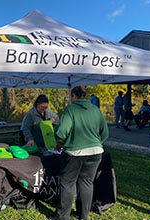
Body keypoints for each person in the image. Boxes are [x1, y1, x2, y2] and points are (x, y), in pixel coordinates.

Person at [49, 86, 109, 220]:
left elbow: (62, 131)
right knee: (87, 182)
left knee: (68, 183)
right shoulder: (95, 109)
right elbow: (105, 132)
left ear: (73, 96)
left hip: (75, 152)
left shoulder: (70, 109)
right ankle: (83, 215)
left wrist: (60, 141)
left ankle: (62, 216)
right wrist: (96, 142)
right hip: (95, 152)